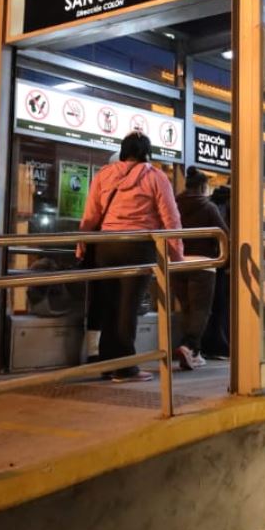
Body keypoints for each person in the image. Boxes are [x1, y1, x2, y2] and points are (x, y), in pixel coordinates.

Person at [79, 132, 183, 382]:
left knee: (109, 305)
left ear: (123, 151)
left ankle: (107, 362)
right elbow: (170, 218)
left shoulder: (104, 175)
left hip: (106, 246)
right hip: (137, 246)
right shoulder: (155, 176)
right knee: (128, 306)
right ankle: (126, 367)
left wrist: (82, 243)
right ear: (147, 153)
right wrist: (176, 253)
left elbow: (91, 214)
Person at [173, 167, 228, 369]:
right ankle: (189, 347)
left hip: (177, 262)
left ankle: (192, 353)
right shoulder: (208, 207)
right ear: (204, 187)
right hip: (203, 264)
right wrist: (224, 259)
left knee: (187, 308)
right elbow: (224, 234)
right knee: (201, 310)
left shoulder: (174, 205)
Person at [203, 183, 232, 359]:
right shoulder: (229, 205)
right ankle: (221, 346)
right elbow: (231, 231)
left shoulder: (210, 203)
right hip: (223, 263)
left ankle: (206, 346)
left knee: (210, 306)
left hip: (206, 261)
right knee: (222, 306)